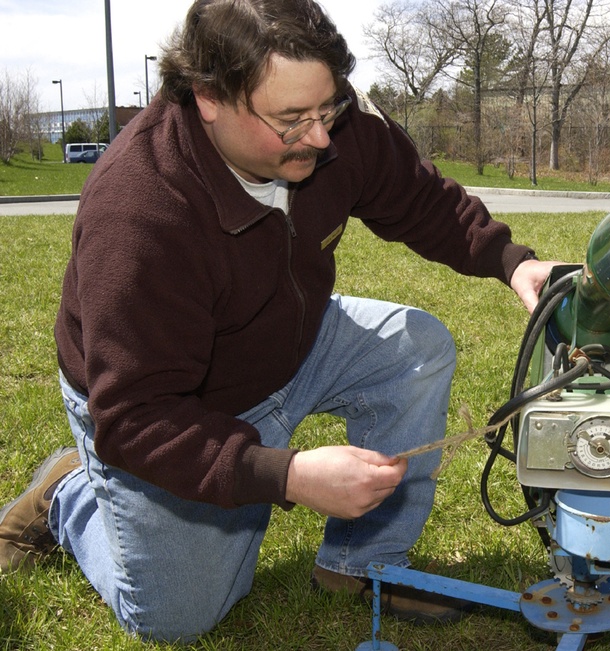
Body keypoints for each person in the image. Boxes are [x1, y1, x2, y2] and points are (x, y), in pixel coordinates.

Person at [0, 0, 556, 642]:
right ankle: (68, 495)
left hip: (287, 342)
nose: (320, 138)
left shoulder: (330, 124)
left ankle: (360, 562)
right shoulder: (140, 210)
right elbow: (135, 415)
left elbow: (416, 195)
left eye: (329, 109)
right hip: (173, 401)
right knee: (176, 617)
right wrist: (286, 474)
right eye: (293, 120)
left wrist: (512, 263)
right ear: (209, 96)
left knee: (416, 346)